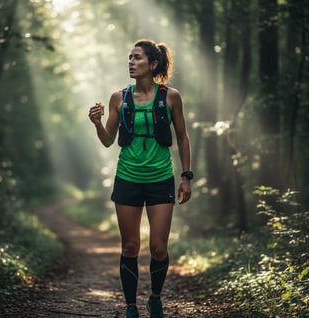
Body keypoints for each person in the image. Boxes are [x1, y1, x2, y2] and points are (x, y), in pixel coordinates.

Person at [88, 39, 193, 318]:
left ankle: (155, 298)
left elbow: (182, 137)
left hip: (160, 178)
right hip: (128, 178)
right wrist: (98, 123)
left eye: (137, 58)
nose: (131, 62)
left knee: (158, 248)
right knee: (131, 246)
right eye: (129, 58)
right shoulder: (118, 98)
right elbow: (108, 141)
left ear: (153, 64)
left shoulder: (171, 97)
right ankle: (131, 307)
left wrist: (186, 177)